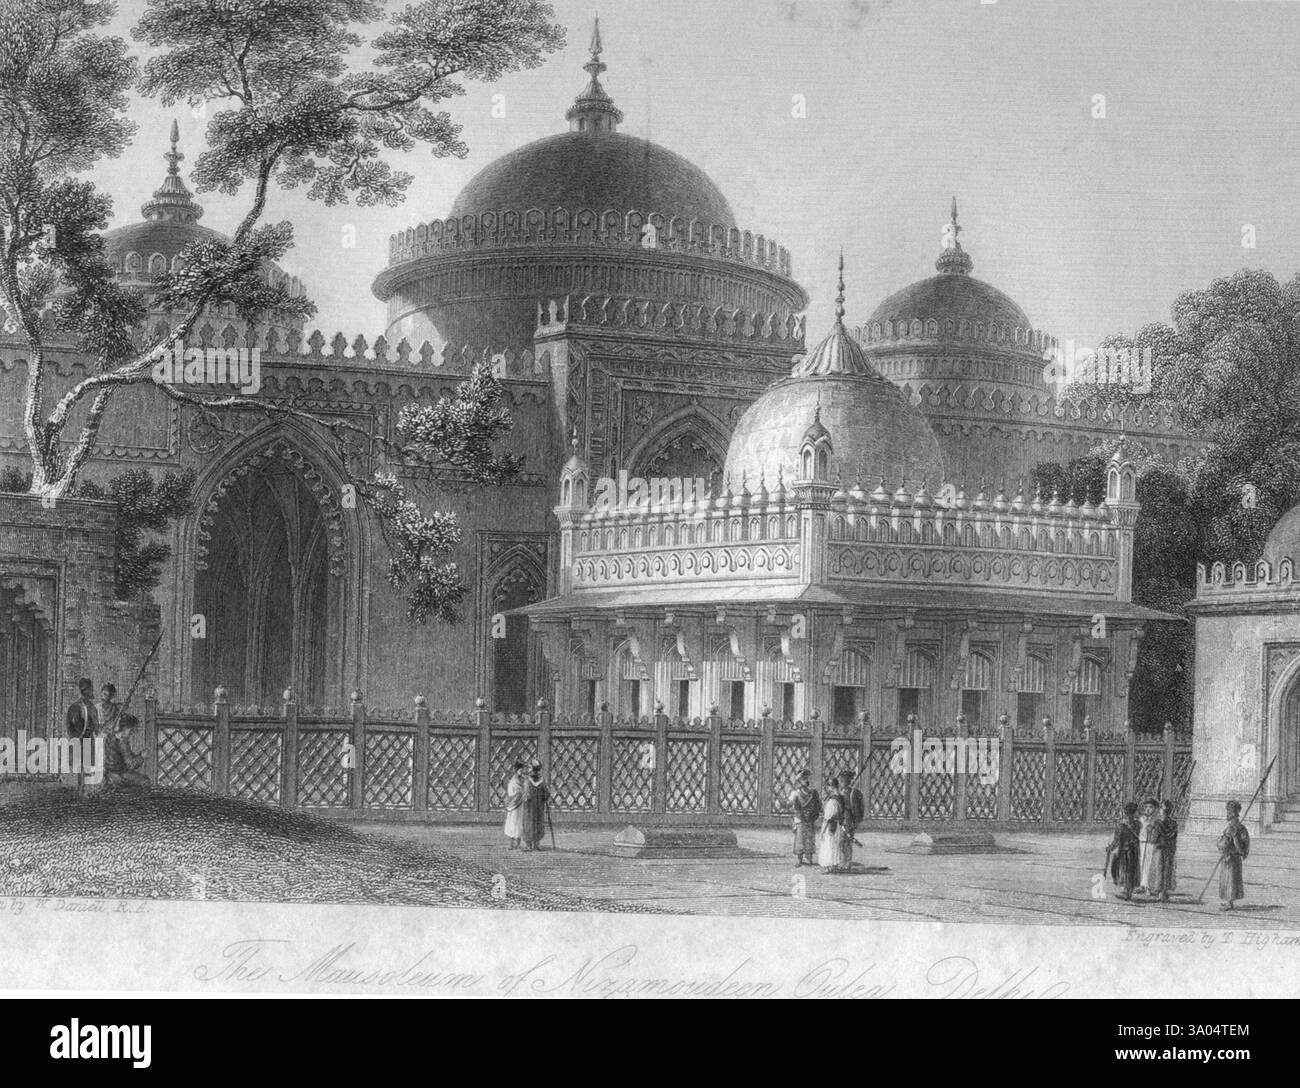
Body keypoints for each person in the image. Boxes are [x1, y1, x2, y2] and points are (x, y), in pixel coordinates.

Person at [1104, 801, 1141, 900]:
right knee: (1131, 871)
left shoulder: (1121, 825)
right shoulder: (1138, 824)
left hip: (1124, 852)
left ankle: (1125, 891)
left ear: (1125, 813)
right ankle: (1129, 891)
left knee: (1123, 871)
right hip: (1134, 851)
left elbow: (1116, 840)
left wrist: (1110, 848)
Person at [1218, 800, 1250, 911]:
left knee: (1230, 880)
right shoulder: (1240, 827)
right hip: (1233, 858)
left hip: (1230, 858)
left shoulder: (1233, 827)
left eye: (1228, 811)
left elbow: (1228, 843)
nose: (1227, 814)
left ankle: (1229, 903)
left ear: (1232, 813)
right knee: (1230, 879)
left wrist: (1222, 844)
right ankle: (1229, 901)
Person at [103, 713, 151, 789]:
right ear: (125, 728)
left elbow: (128, 758)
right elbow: (131, 765)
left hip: (109, 773)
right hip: (119, 774)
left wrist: (138, 755)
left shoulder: (110, 736)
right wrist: (142, 756)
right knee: (146, 781)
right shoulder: (122, 743)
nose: (132, 733)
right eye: (131, 730)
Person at [788, 770, 820, 867]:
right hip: (800, 819)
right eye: (803, 779)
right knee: (800, 839)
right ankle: (799, 859)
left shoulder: (813, 793)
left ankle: (809, 858)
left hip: (810, 819)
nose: (806, 780)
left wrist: (813, 813)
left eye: (807, 778)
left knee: (809, 838)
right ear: (799, 781)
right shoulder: (795, 793)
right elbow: (790, 804)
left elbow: (818, 805)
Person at [817, 777, 846, 873]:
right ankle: (834, 865)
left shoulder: (832, 801)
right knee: (835, 845)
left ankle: (828, 867)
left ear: (831, 787)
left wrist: (822, 831)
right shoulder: (841, 798)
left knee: (828, 845)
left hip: (830, 826)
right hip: (837, 825)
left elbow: (827, 819)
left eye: (828, 787)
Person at [520, 763, 550, 851]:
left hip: (529, 808)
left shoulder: (527, 781)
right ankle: (536, 844)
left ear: (532, 769)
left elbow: (526, 795)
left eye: (529, 768)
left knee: (529, 823)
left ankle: (529, 845)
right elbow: (546, 794)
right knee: (538, 823)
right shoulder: (542, 781)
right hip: (538, 807)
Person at [840, 766, 864, 871]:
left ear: (848, 781)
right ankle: (843, 862)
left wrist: (855, 821)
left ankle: (847, 863)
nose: (842, 782)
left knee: (847, 841)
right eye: (841, 780)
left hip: (848, 820)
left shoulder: (854, 793)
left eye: (843, 780)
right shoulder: (842, 792)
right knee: (842, 842)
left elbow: (857, 809)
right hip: (841, 820)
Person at [1155, 798, 1178, 903]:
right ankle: (1164, 892)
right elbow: (1174, 838)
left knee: (1160, 870)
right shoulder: (1174, 824)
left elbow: (1155, 838)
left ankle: (1160, 893)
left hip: (1160, 849)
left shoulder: (1158, 823)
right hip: (1169, 849)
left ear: (1162, 810)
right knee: (1168, 870)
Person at [1136, 797, 1160, 895]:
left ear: (1155, 808)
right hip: (1142, 843)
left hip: (1151, 844)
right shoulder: (1141, 819)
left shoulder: (1156, 820)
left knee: (1150, 865)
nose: (1148, 809)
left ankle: (1149, 886)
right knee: (1141, 864)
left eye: (1151, 807)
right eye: (1146, 807)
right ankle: (1142, 885)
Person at [503, 762, 525, 848]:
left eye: (522, 769)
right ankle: (511, 842)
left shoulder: (523, 779)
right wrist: (519, 793)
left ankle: (518, 841)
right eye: (520, 770)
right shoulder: (512, 781)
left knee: (519, 822)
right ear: (516, 770)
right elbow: (510, 793)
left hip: (521, 804)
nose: (522, 771)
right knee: (512, 822)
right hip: (514, 804)